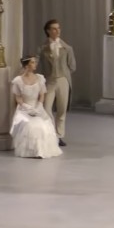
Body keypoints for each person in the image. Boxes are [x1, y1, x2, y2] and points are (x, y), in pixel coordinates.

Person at [9, 56, 63, 159]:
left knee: (43, 124)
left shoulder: (39, 78)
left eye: (35, 62)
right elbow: (18, 98)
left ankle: (41, 150)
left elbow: (42, 95)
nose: (35, 64)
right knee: (29, 125)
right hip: (24, 109)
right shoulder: (18, 81)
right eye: (33, 62)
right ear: (26, 65)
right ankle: (32, 151)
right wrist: (26, 107)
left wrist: (39, 106)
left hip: (37, 107)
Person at [37, 19, 76, 147]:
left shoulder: (67, 48)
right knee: (47, 107)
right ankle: (50, 133)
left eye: (58, 28)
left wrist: (64, 74)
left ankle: (59, 135)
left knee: (62, 109)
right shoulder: (42, 48)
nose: (57, 30)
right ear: (48, 31)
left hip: (63, 80)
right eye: (54, 28)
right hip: (49, 80)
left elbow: (72, 66)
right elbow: (37, 63)